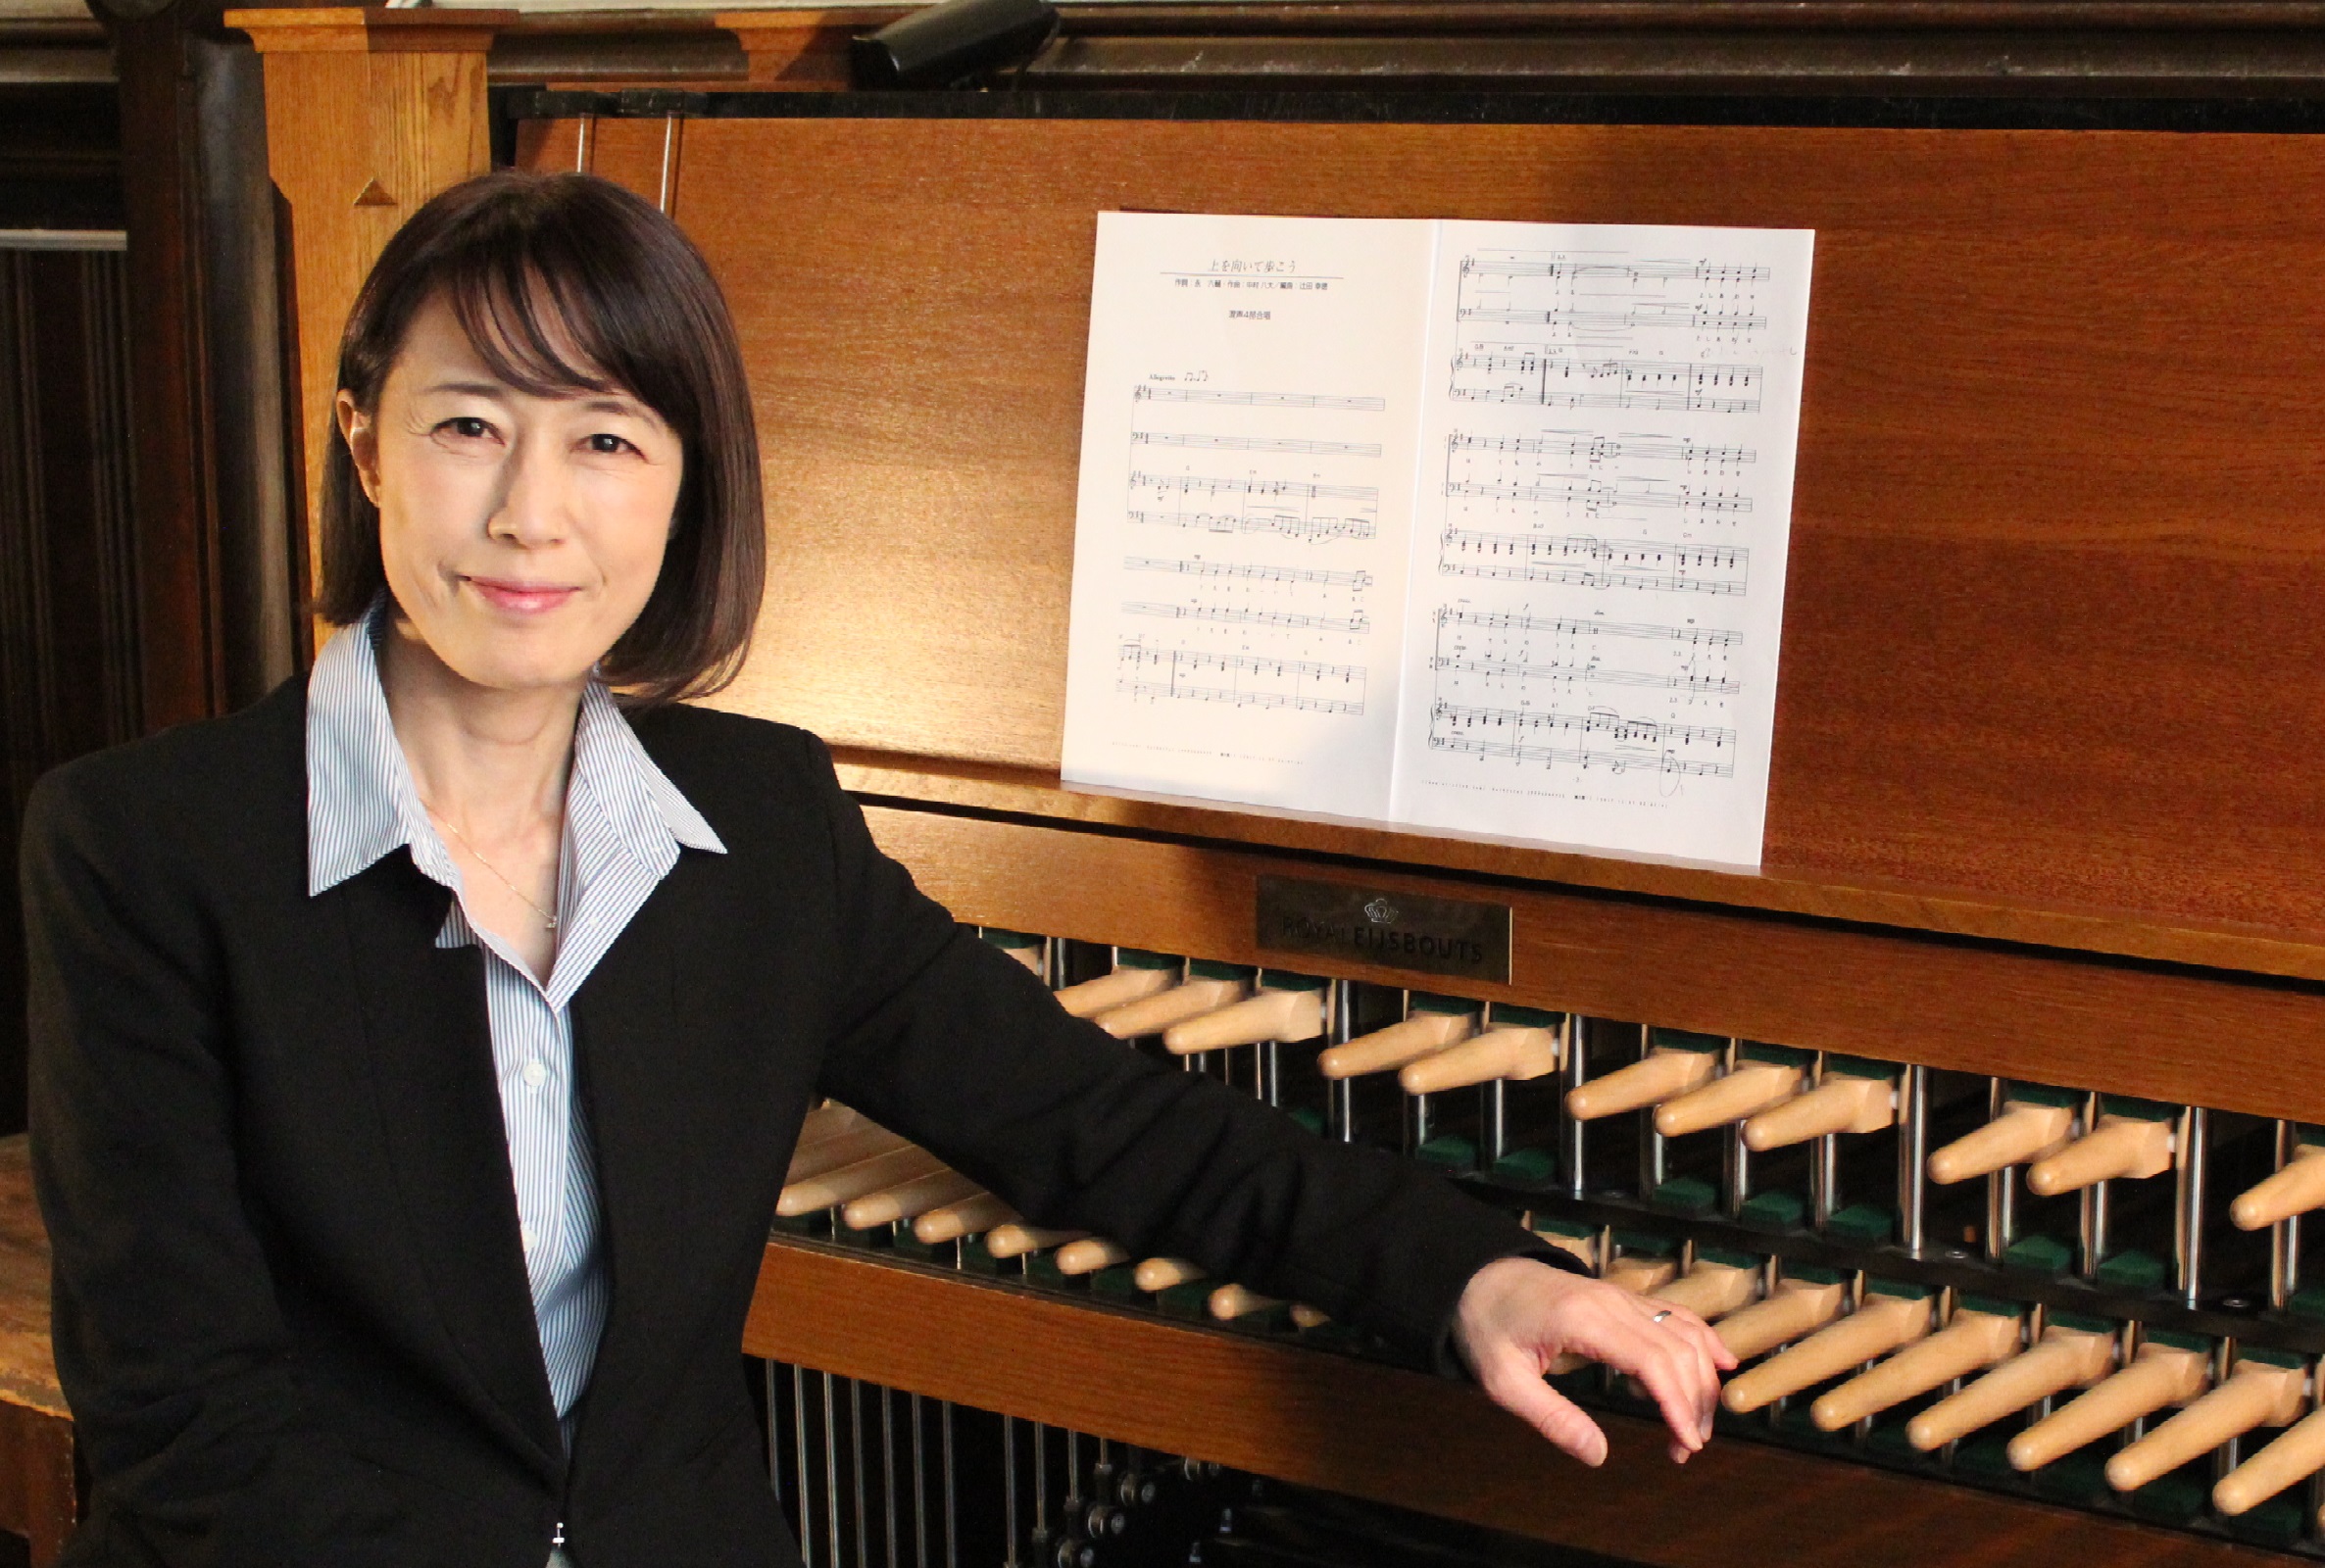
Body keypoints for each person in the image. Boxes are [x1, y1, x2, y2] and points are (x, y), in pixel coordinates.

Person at [20, 170, 1731, 1568]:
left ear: (683, 486)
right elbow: (190, 1432)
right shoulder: (142, 849)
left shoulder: (760, 824)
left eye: (606, 440)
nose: (532, 512)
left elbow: (1102, 1123)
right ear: (364, 443)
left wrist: (1467, 1275)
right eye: (470, 427)